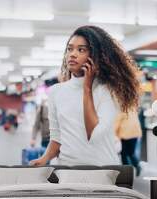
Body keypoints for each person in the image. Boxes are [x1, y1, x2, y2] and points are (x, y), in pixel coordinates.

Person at [30, 25, 140, 166]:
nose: (72, 54)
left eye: (81, 50)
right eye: (70, 49)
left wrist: (87, 88)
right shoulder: (56, 92)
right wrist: (44, 159)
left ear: (95, 56)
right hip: (66, 170)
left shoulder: (108, 90)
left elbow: (94, 136)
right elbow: (57, 138)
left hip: (102, 171)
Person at [114, 110, 142, 176]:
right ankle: (137, 166)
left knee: (124, 153)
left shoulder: (121, 110)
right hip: (135, 133)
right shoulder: (132, 108)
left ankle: (126, 171)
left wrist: (113, 134)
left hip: (125, 134)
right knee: (131, 153)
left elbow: (117, 123)